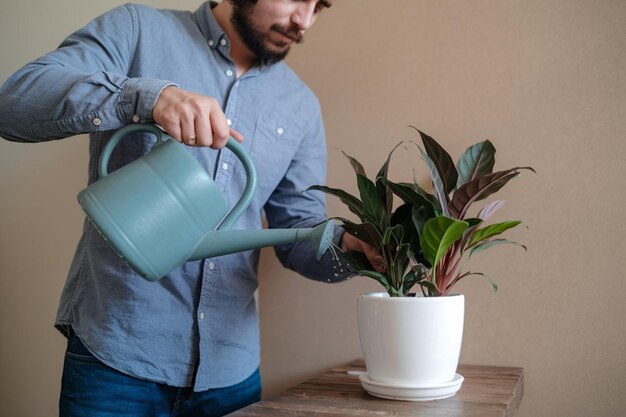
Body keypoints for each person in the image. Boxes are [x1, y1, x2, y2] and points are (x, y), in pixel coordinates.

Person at [0, 1, 382, 416]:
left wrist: (347, 245)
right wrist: (149, 97)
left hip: (230, 377)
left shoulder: (300, 106)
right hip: (114, 364)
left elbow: (297, 229)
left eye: (319, 7)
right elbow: (15, 103)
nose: (303, 22)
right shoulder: (138, 29)